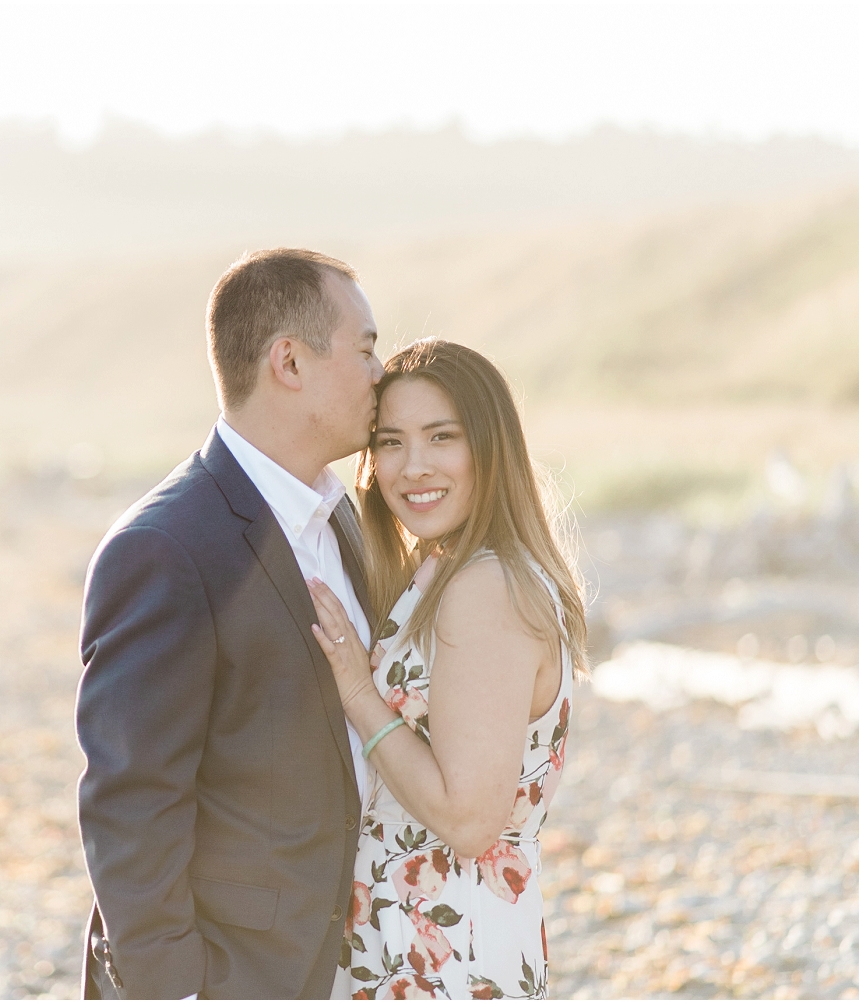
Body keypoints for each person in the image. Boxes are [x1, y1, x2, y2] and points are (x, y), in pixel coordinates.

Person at [76, 248, 384, 998]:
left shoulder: (341, 515)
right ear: (289, 362)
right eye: (367, 348)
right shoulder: (166, 546)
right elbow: (131, 801)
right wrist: (176, 987)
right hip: (233, 974)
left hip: (345, 962)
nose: (384, 372)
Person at [305, 339, 588, 1000]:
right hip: (420, 941)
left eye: (441, 437)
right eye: (391, 441)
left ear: (489, 448)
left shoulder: (485, 586)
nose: (413, 466)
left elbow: (468, 821)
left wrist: (356, 690)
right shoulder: (449, 568)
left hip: (449, 955)